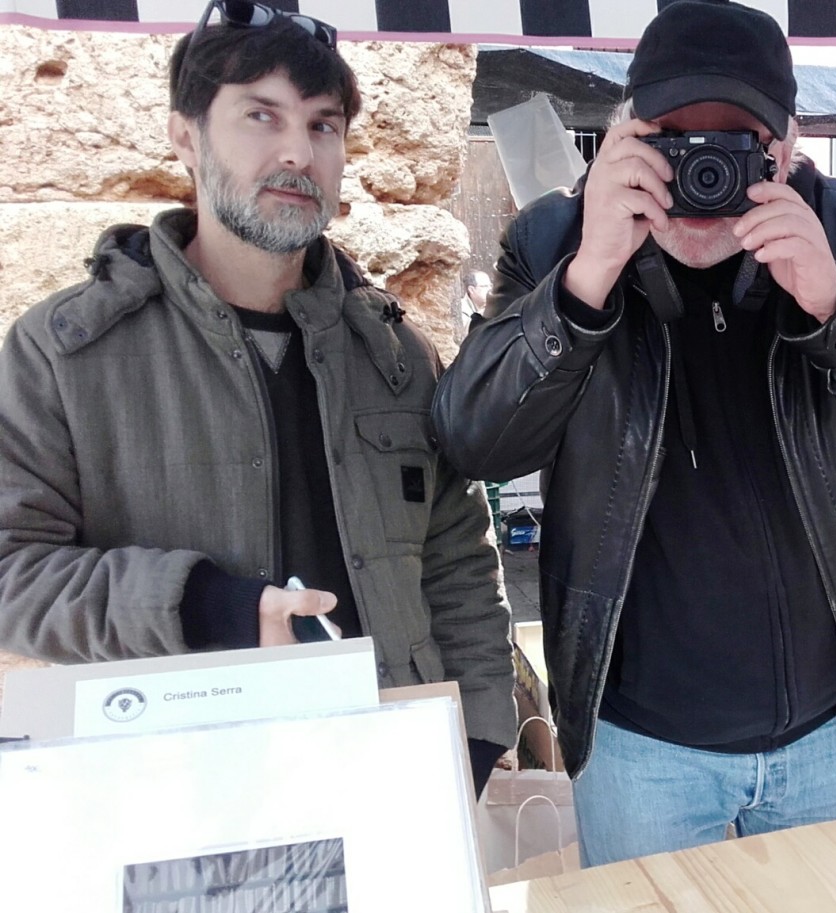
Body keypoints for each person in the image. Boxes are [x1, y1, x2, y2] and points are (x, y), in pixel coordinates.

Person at [432, 0, 836, 862]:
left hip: (834, 726)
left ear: (787, 145)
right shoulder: (557, 240)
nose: (701, 171)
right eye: (671, 139)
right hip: (639, 743)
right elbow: (473, 439)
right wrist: (584, 285)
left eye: (734, 144)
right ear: (625, 136)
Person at [0, 0, 515, 797]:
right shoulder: (64, 355)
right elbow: (11, 569)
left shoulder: (396, 356)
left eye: (323, 124)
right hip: (181, 778)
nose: (297, 153)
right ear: (186, 135)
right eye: (259, 116)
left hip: (388, 765)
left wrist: (478, 732)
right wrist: (204, 604)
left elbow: (455, 558)